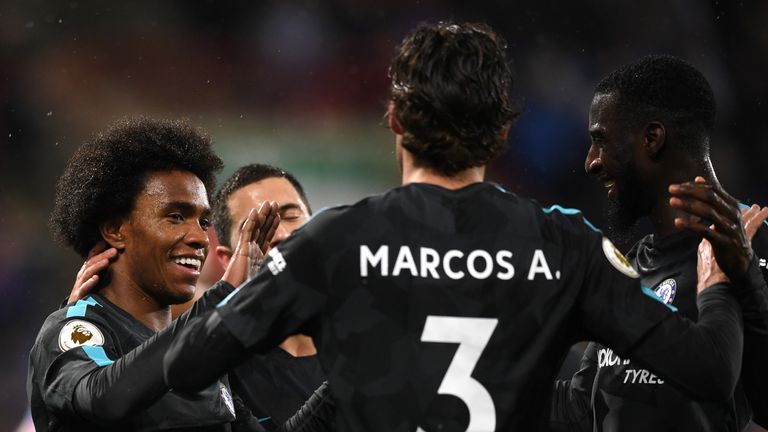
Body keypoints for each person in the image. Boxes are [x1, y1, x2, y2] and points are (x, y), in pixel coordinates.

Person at [163, 22, 758, 431]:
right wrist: (722, 285)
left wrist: (226, 297)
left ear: (394, 120)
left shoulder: (335, 241)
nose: (591, 160)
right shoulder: (567, 245)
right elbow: (707, 370)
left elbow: (184, 368)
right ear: (502, 133)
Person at [549, 54, 768, 432]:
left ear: (652, 138)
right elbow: (583, 406)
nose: (591, 162)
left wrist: (748, 282)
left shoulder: (756, 245)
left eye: (601, 139)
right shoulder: (629, 266)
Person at [27, 117, 277, 431]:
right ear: (115, 229)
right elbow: (104, 398)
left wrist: (345, 380)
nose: (200, 238)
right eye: (175, 216)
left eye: (203, 222)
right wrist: (223, 296)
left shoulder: (202, 355)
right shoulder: (75, 329)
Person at [211, 164, 327, 429]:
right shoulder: (218, 372)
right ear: (228, 260)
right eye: (260, 227)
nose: (283, 235)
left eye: (291, 216)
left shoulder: (375, 335)